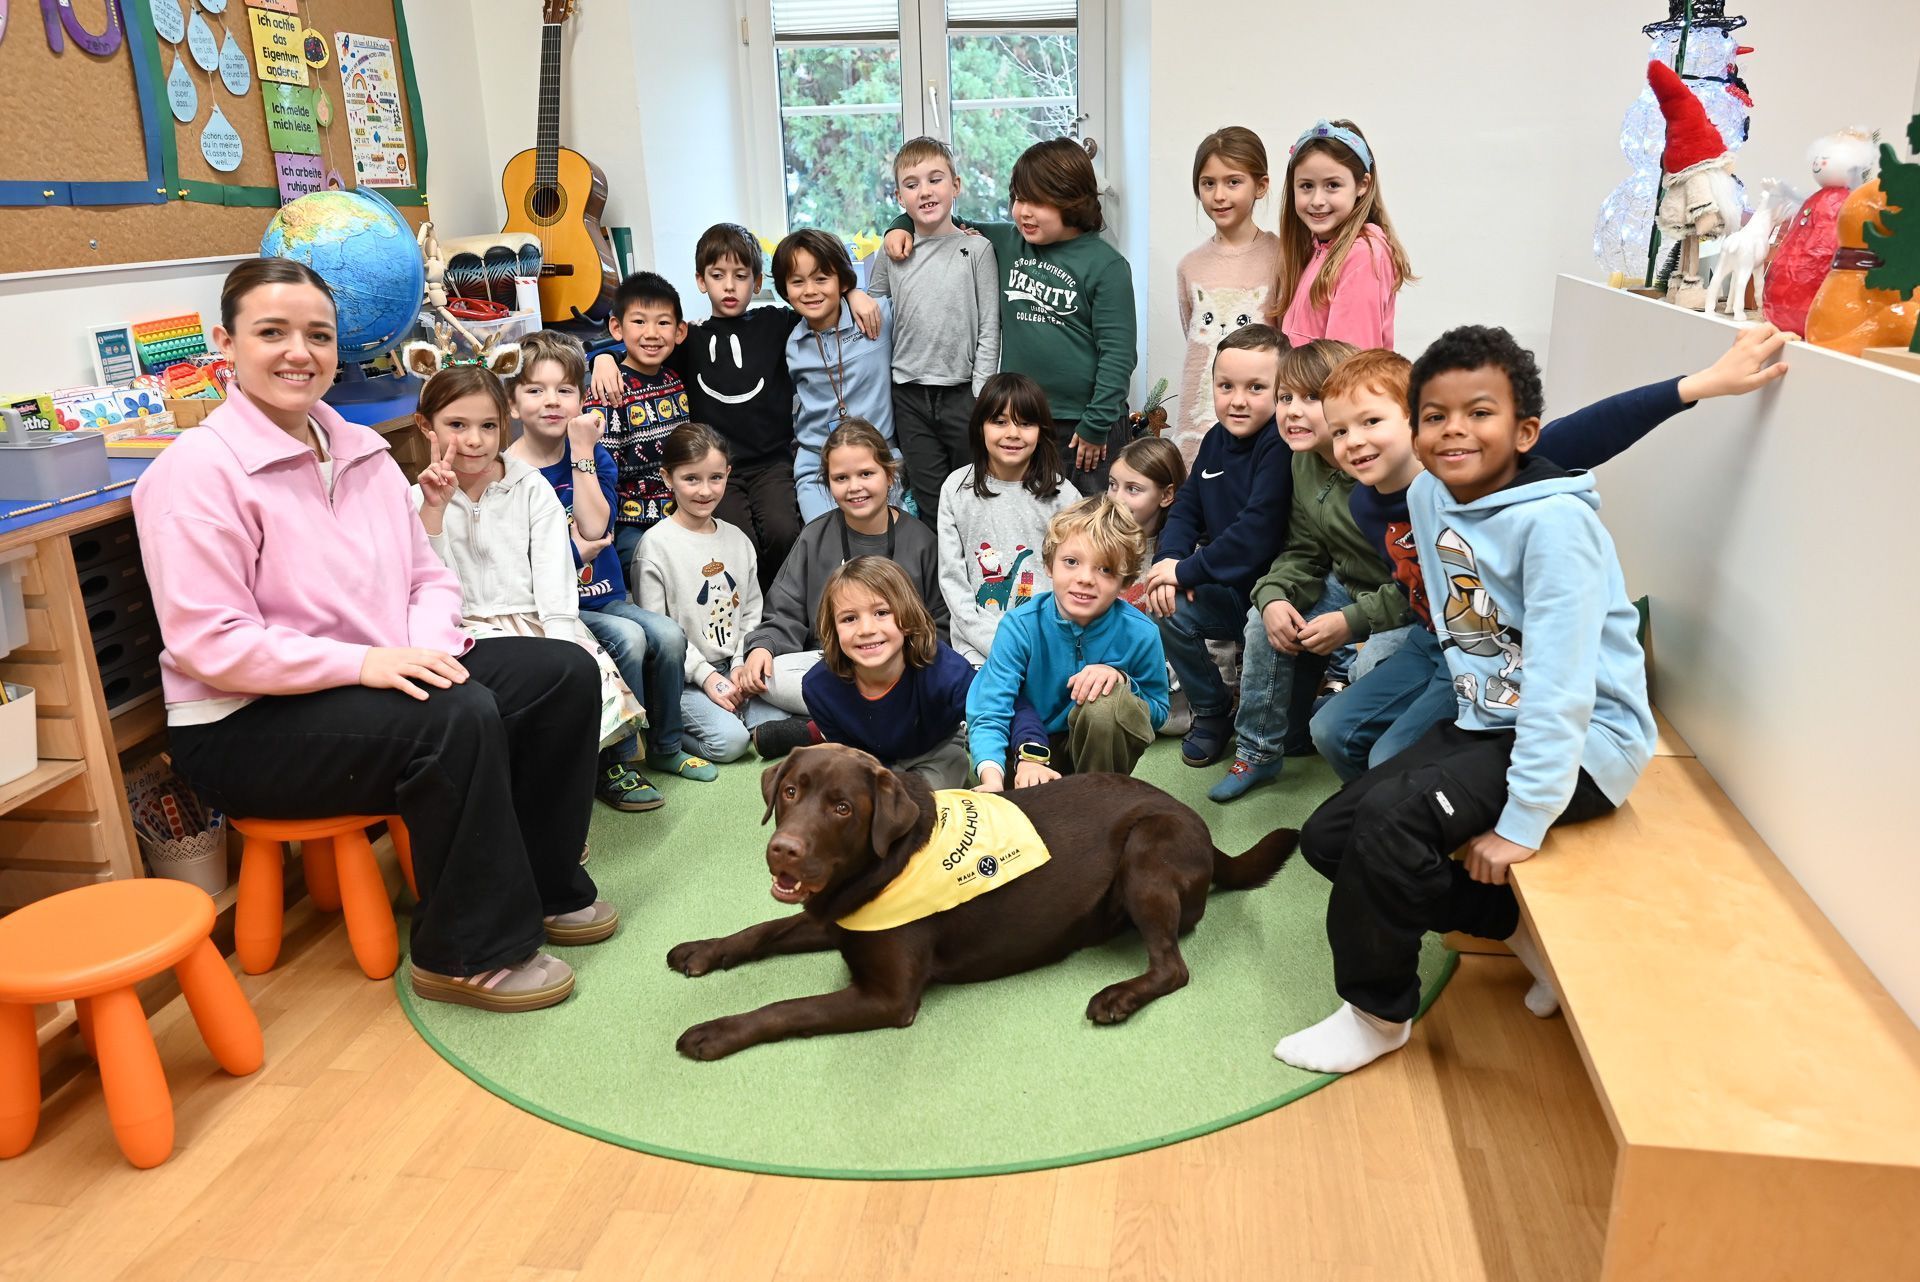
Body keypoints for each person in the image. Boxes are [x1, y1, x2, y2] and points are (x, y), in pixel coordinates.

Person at [138, 258, 611, 1014]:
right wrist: (370, 663)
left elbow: (429, 576)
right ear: (226, 344)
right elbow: (212, 643)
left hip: (374, 675)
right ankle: (466, 951)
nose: (300, 351)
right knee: (454, 717)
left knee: (561, 673)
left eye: (318, 335)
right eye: (273, 332)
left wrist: (422, 651)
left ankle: (547, 886)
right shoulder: (193, 473)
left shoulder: (357, 448)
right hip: (244, 723)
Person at [1274, 323, 1657, 1076]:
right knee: (1328, 837)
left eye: (1480, 414)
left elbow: (1561, 690)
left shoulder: (1554, 526)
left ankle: (1379, 1015)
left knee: (1389, 825)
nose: (1455, 431)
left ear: (1525, 431)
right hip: (1489, 720)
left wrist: (1525, 819)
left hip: (1583, 745)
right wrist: (1360, 430)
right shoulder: (1430, 497)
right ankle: (1508, 925)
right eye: (1436, 416)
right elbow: (1371, 456)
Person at [1310, 323, 1795, 782]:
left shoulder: (1481, 467)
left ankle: (1414, 829)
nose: (1353, 441)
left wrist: (1700, 385)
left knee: (1389, 757)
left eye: (1371, 421)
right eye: (1340, 432)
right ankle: (1383, 818)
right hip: (1432, 641)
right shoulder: (1363, 503)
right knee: (1332, 731)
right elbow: (1413, 585)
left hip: (1494, 651)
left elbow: (1589, 429)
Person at [409, 360, 649, 813]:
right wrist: (435, 512)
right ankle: (513, 808)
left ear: (504, 422)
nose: (475, 440)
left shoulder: (530, 488)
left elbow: (555, 575)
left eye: (488, 425)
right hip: (462, 632)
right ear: (426, 425)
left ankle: (561, 807)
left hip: (538, 622)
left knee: (562, 711)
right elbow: (426, 586)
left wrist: (562, 648)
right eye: (456, 425)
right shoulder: (415, 496)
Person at [588, 224, 882, 590]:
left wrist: (854, 293)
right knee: (735, 539)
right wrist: (602, 358)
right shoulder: (687, 337)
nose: (729, 286)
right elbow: (646, 341)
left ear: (758, 283)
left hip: (772, 462)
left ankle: (787, 607)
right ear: (700, 280)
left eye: (741, 276)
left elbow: (819, 307)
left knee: (784, 530)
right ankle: (752, 614)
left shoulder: (777, 322)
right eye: (717, 276)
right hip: (717, 471)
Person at [506, 330, 715, 803]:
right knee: (629, 638)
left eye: (564, 390)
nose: (552, 402)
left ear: (582, 399)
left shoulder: (592, 453)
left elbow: (597, 525)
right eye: (535, 390)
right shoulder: (508, 471)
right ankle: (615, 765)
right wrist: (570, 552)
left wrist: (580, 454)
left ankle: (664, 745)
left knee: (666, 634)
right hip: (553, 609)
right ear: (513, 404)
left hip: (606, 595)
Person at [1211, 345, 1413, 803]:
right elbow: (1304, 550)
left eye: (1310, 398)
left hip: (1407, 604)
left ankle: (1374, 778)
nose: (1293, 412)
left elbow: (1416, 587)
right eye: (1285, 398)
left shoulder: (1380, 466)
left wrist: (1352, 623)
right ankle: (1259, 751)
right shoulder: (1302, 460)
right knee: (1265, 621)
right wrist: (1276, 595)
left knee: (1369, 665)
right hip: (1346, 585)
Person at [886, 138, 1136, 494]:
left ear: (1074, 200)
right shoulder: (1006, 241)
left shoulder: (1106, 265)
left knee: (1088, 529)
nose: (1024, 212)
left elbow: (1119, 355)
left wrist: (1097, 423)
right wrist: (898, 225)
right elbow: (938, 217)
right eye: (1018, 199)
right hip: (1023, 419)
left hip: (1086, 425)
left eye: (1038, 202)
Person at [735, 419, 945, 758]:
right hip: (833, 664)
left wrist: (904, 662)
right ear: (828, 483)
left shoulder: (921, 541)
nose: (855, 487)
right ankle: (865, 724)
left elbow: (940, 625)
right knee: (771, 676)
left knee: (934, 685)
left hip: (899, 669)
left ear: (889, 474)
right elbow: (783, 610)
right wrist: (763, 647)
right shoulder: (814, 536)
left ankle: (820, 732)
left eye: (866, 474)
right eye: (841, 478)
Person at [1137, 323, 1295, 767]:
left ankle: (1260, 730)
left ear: (1282, 392)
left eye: (1256, 387)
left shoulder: (1280, 445)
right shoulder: (1213, 441)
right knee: (1166, 607)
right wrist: (1168, 562)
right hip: (1225, 588)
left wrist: (1187, 571)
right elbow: (1187, 508)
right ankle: (1211, 710)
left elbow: (1257, 532)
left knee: (1257, 633)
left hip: (1274, 592)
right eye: (1226, 386)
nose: (1238, 399)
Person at [967, 496, 1169, 790]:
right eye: (1071, 562)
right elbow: (992, 708)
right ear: (1049, 565)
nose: (1085, 579)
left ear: (1125, 583)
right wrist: (992, 778)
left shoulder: (1141, 633)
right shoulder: (1019, 627)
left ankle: (1099, 803)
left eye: (1105, 569)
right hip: (1027, 747)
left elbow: (1159, 711)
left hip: (1097, 756)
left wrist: (1122, 681)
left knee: (1106, 701)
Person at [865, 136, 1001, 524]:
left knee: (971, 496)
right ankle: (931, 585)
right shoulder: (893, 253)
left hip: (962, 395)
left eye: (935, 179)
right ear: (899, 197)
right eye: (912, 184)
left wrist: (980, 395)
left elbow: (990, 327)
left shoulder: (977, 251)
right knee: (928, 502)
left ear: (955, 186)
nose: (925, 191)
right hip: (908, 397)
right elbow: (873, 311)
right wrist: (856, 297)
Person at [633, 423, 773, 763]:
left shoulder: (738, 540)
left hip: (732, 666)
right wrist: (706, 676)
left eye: (715, 478)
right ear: (668, 478)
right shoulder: (655, 546)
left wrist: (741, 664)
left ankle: (734, 712)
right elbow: (659, 635)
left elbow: (752, 611)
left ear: (727, 474)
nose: (705, 491)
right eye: (691, 479)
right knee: (731, 743)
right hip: (681, 678)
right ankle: (658, 731)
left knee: (773, 722)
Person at [800, 557, 1001, 790]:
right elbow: (853, 759)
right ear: (833, 628)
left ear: (907, 616)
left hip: (935, 748)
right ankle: (809, 733)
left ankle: (808, 733)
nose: (866, 630)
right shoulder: (818, 687)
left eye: (881, 612)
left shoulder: (944, 669)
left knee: (922, 803)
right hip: (870, 754)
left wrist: (1025, 758)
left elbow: (999, 706)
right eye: (849, 618)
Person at [936, 372, 1080, 665]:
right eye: (999, 422)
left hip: (1048, 645)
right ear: (980, 427)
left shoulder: (1064, 496)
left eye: (1025, 423)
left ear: (1041, 430)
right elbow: (953, 582)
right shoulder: (955, 488)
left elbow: (1076, 578)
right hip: (977, 647)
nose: (1012, 433)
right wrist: (999, 646)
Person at [775, 229, 902, 522]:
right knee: (827, 550)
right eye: (797, 282)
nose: (810, 290)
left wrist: (855, 293)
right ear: (785, 290)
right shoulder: (789, 342)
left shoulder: (875, 317)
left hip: (878, 460)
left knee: (888, 555)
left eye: (821, 279)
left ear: (842, 280)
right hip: (817, 464)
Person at [1174, 126, 1280, 464]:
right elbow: (1196, 343)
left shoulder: (1282, 258)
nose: (1219, 195)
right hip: (1200, 420)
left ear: (1260, 186)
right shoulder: (1190, 266)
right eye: (1208, 183)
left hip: (1263, 423)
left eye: (1233, 182)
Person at [1268, 119, 1416, 350]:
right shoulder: (1315, 248)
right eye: (1306, 186)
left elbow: (1347, 363)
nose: (1317, 200)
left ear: (1362, 185)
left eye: (1332, 185)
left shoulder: (1364, 255)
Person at [581, 271, 689, 575]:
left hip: (680, 509)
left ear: (679, 332)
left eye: (663, 323)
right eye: (639, 322)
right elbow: (603, 471)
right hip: (632, 522)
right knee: (659, 567)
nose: (652, 333)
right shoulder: (609, 390)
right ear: (617, 327)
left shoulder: (674, 379)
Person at [1106, 435, 1197, 738]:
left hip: (1165, 697)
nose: (1117, 498)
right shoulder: (1095, 548)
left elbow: (1208, 648)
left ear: (1166, 495)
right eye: (1112, 485)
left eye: (1133, 489)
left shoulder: (1185, 560)